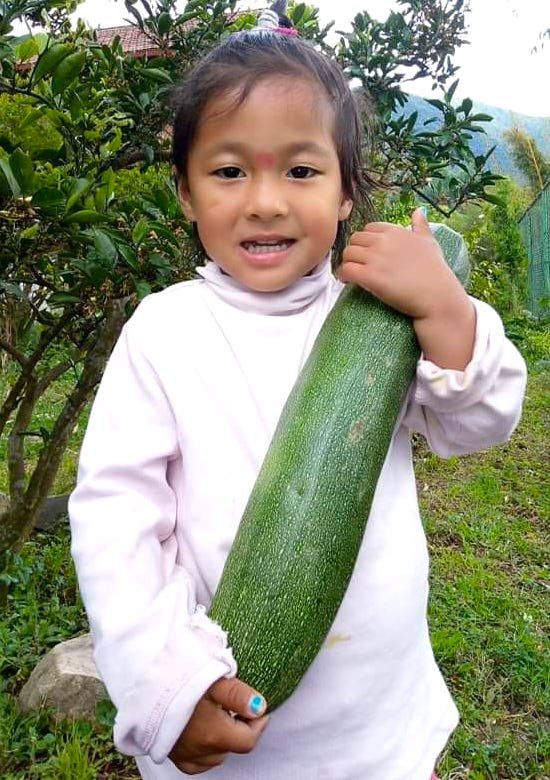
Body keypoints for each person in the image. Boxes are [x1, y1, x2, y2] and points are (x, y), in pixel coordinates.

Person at [68, 3, 527, 779]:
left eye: (302, 171)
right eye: (228, 171)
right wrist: (165, 683)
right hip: (226, 723)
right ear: (185, 192)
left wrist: (446, 311)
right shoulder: (163, 332)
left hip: (379, 732)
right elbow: (117, 523)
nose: (266, 200)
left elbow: (482, 421)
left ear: (347, 194)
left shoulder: (382, 316)